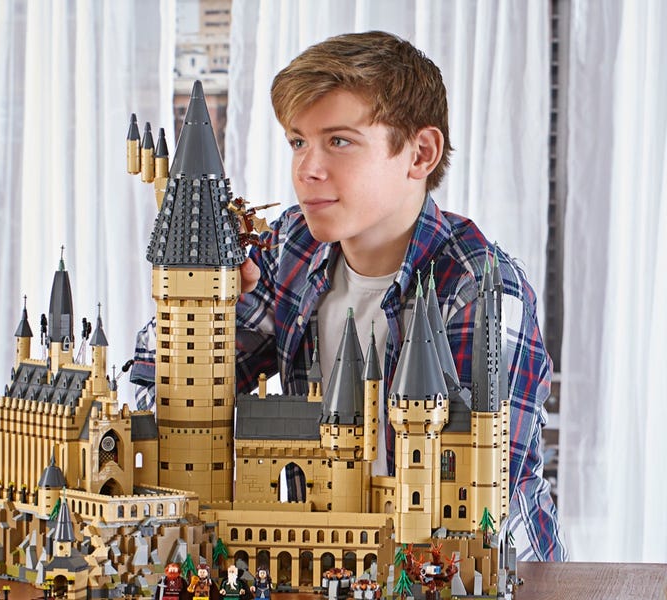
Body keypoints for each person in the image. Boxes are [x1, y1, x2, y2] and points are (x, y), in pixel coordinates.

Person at [133, 30, 566, 561]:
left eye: (338, 141)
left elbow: (475, 499)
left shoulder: (482, 290)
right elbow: (164, 399)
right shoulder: (291, 246)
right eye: (298, 142)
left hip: (472, 570)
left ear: (420, 154)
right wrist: (212, 309)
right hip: (336, 559)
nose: (307, 169)